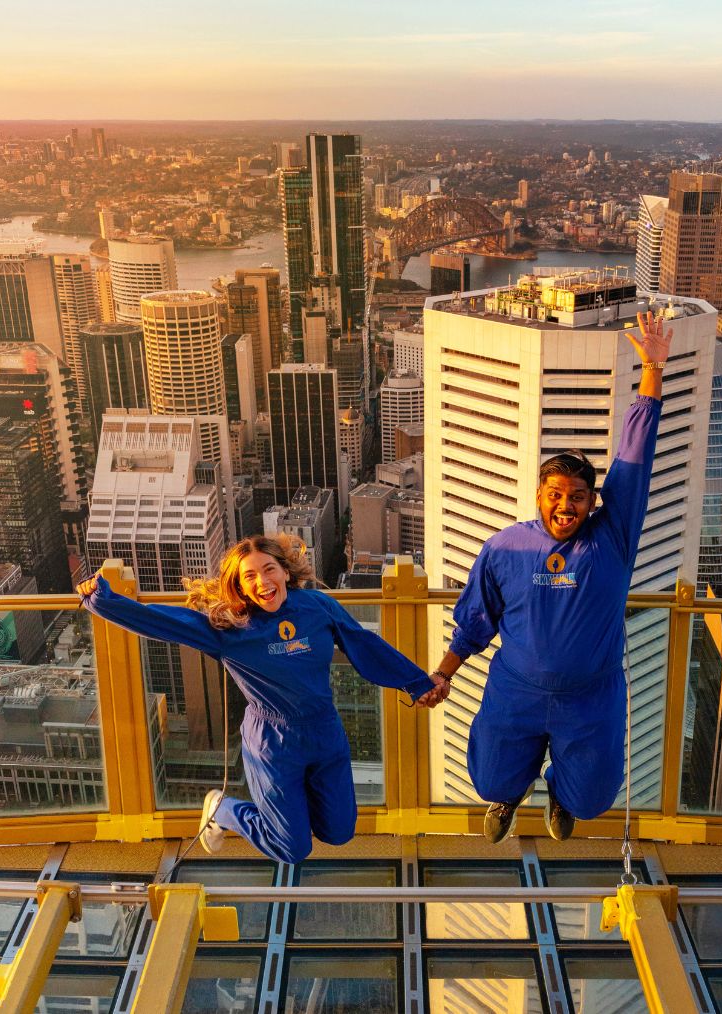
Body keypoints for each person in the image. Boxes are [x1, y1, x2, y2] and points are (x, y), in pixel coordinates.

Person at [435, 309, 672, 842]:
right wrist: (444, 673)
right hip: (515, 689)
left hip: (591, 695)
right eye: (556, 495)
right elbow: (475, 622)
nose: (566, 506)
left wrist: (653, 371)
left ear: (593, 501)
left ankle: (562, 792)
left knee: (591, 800)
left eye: (578, 497)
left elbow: (634, 461)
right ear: (539, 496)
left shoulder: (611, 539)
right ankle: (512, 793)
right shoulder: (505, 547)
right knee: (489, 779)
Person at [79, 534, 448, 863]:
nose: (263, 582)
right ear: (240, 587)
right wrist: (100, 599)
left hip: (325, 731)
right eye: (250, 577)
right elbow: (162, 622)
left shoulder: (318, 606)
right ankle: (223, 810)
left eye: (269, 569)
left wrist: (418, 684)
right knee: (292, 849)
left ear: (285, 571)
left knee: (339, 832)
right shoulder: (229, 628)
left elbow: (364, 643)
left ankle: (291, 813)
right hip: (274, 741)